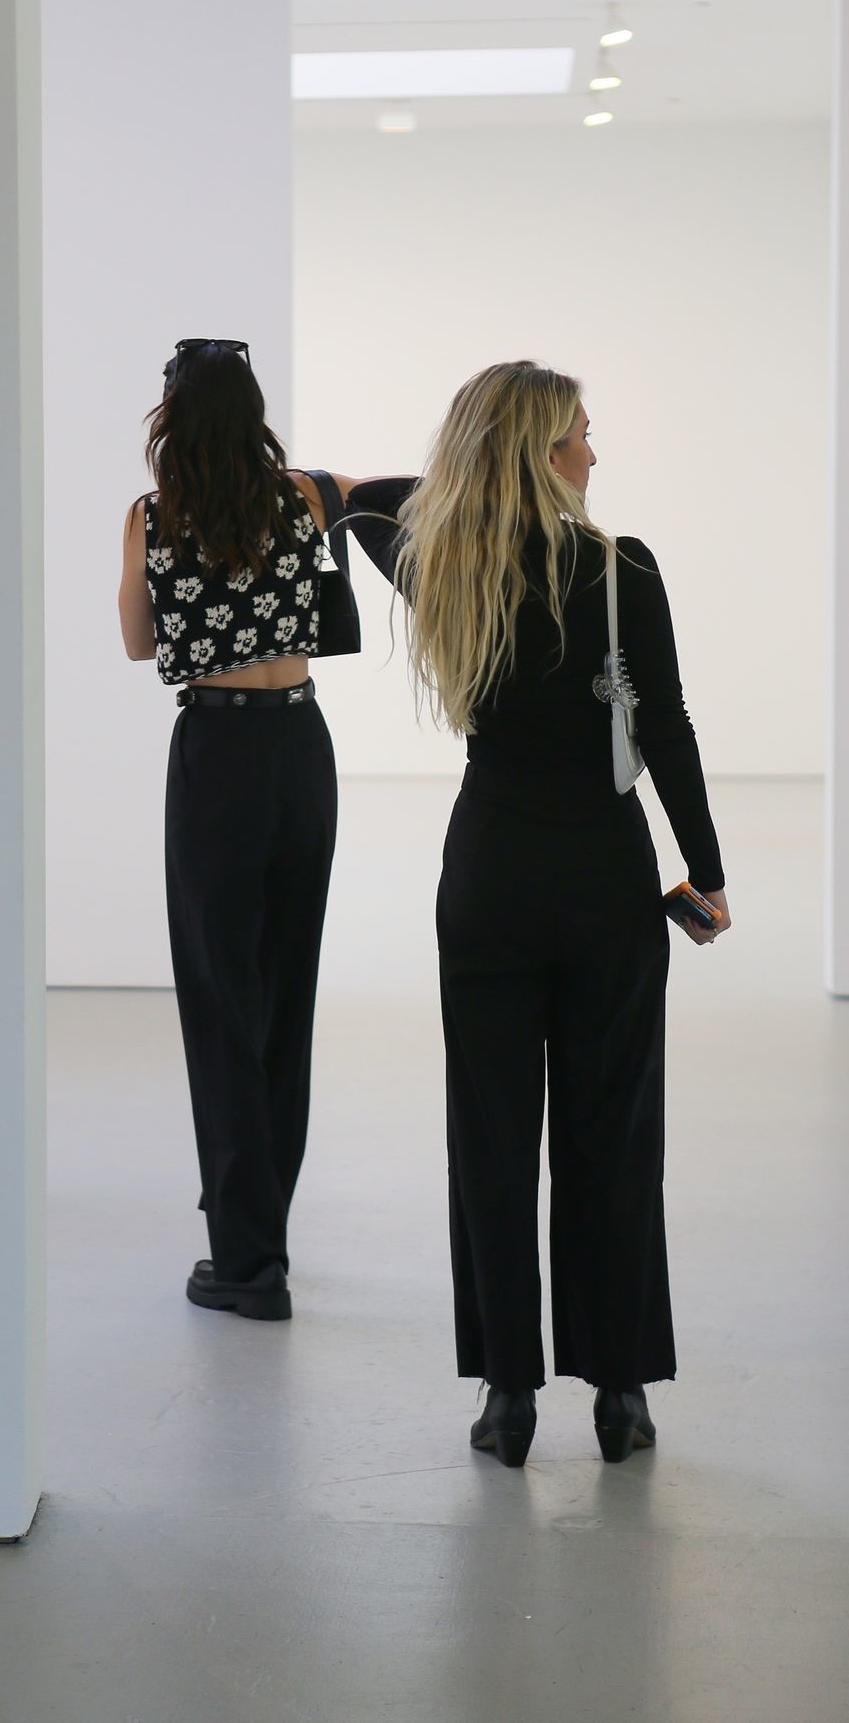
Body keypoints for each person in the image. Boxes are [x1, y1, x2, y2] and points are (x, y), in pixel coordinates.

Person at [345, 360, 731, 1465]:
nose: (592, 456)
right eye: (576, 437)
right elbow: (665, 726)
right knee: (614, 1137)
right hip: (603, 880)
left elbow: (377, 503)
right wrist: (704, 869)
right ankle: (619, 1392)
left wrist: (396, 480)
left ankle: (506, 1394)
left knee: (491, 1136)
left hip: (488, 881)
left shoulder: (439, 562)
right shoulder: (621, 569)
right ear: (539, 453)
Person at [117, 337, 380, 1321]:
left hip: (216, 754)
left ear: (172, 417)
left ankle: (246, 1262)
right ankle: (263, 1223)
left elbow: (137, 640)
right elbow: (395, 496)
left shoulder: (154, 515)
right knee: (283, 991)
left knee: (219, 1001)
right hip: (299, 749)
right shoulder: (305, 496)